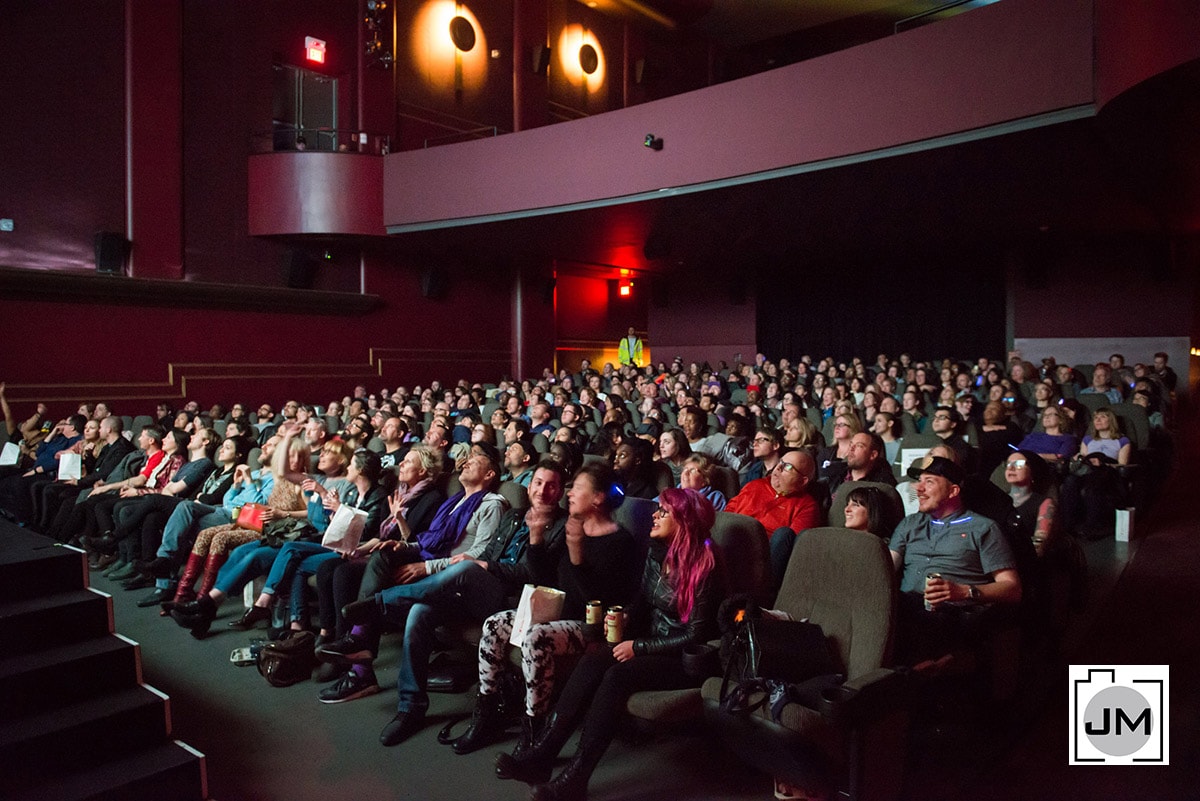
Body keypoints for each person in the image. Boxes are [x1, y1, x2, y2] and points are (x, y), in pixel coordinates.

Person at [504, 488, 722, 801]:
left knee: (616, 677)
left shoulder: (706, 565)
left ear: (684, 519)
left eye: (664, 511)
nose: (655, 515)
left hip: (684, 658)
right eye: (656, 508)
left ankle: (576, 777)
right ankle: (543, 754)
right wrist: (618, 620)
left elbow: (696, 636)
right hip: (651, 640)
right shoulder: (659, 550)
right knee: (595, 656)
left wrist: (639, 647)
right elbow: (644, 602)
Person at [342, 461, 571, 751]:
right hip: (479, 591)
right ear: (529, 485)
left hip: (516, 605)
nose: (543, 490)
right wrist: (482, 564)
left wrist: (488, 564)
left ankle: (380, 603)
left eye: (551, 485)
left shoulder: (563, 527)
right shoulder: (514, 516)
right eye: (538, 482)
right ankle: (410, 707)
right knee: (420, 612)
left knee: (466, 568)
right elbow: (488, 552)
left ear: (561, 490)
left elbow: (538, 577)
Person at [472, 463, 640, 760]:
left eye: (577, 487)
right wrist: (536, 538)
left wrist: (577, 555)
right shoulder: (572, 528)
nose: (570, 493)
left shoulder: (619, 542)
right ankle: (486, 713)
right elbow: (544, 578)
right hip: (559, 612)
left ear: (599, 498)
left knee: (536, 637)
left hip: (589, 625)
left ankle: (534, 729)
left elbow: (596, 602)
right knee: (495, 624)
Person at [232, 449, 389, 633]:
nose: (347, 467)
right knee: (297, 563)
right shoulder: (353, 494)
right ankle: (297, 624)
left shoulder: (378, 496)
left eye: (351, 464)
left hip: (354, 550)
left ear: (361, 470)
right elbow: (337, 525)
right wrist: (335, 511)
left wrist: (338, 508)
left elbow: (363, 532)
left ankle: (265, 602)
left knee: (291, 549)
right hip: (335, 543)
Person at [888, 456, 1021, 666]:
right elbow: (886, 568)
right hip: (905, 607)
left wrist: (964, 591)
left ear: (953, 491)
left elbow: (1012, 589)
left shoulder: (983, 528)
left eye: (929, 482)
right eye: (919, 481)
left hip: (952, 614)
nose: (918, 489)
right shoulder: (910, 523)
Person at [725, 449, 821, 588]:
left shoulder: (807, 506)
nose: (779, 467)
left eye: (788, 467)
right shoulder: (754, 485)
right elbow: (727, 514)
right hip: (732, 545)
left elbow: (790, 546)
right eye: (781, 462)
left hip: (761, 560)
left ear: (803, 480)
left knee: (784, 534)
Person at [824, 432, 897, 494]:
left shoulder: (883, 484)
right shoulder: (835, 475)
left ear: (873, 455)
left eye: (859, 446)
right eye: (851, 444)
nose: (851, 449)